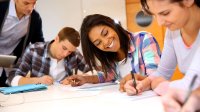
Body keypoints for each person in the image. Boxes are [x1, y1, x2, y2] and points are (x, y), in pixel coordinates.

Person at [122, 0, 200, 95]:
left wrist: (160, 85)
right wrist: (142, 84)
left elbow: (190, 86)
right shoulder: (173, 32)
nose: (160, 23)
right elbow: (162, 73)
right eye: (154, 15)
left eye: (165, 13)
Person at [68, 14, 161, 87]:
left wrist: (136, 79)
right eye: (98, 43)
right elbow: (110, 75)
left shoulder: (144, 39)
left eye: (105, 33)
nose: (105, 42)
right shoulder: (110, 55)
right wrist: (86, 79)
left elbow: (157, 77)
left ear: (112, 25)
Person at [7, 27, 99, 86]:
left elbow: (93, 71)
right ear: (57, 38)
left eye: (70, 51)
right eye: (64, 48)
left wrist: (76, 78)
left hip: (67, 98)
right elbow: (12, 79)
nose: (65, 54)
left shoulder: (74, 54)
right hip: (38, 100)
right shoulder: (34, 50)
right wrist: (37, 80)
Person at [0, 0, 44, 87]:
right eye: (26, 3)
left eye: (34, 3)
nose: (31, 8)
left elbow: (39, 44)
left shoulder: (35, 18)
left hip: (11, 65)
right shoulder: (1, 8)